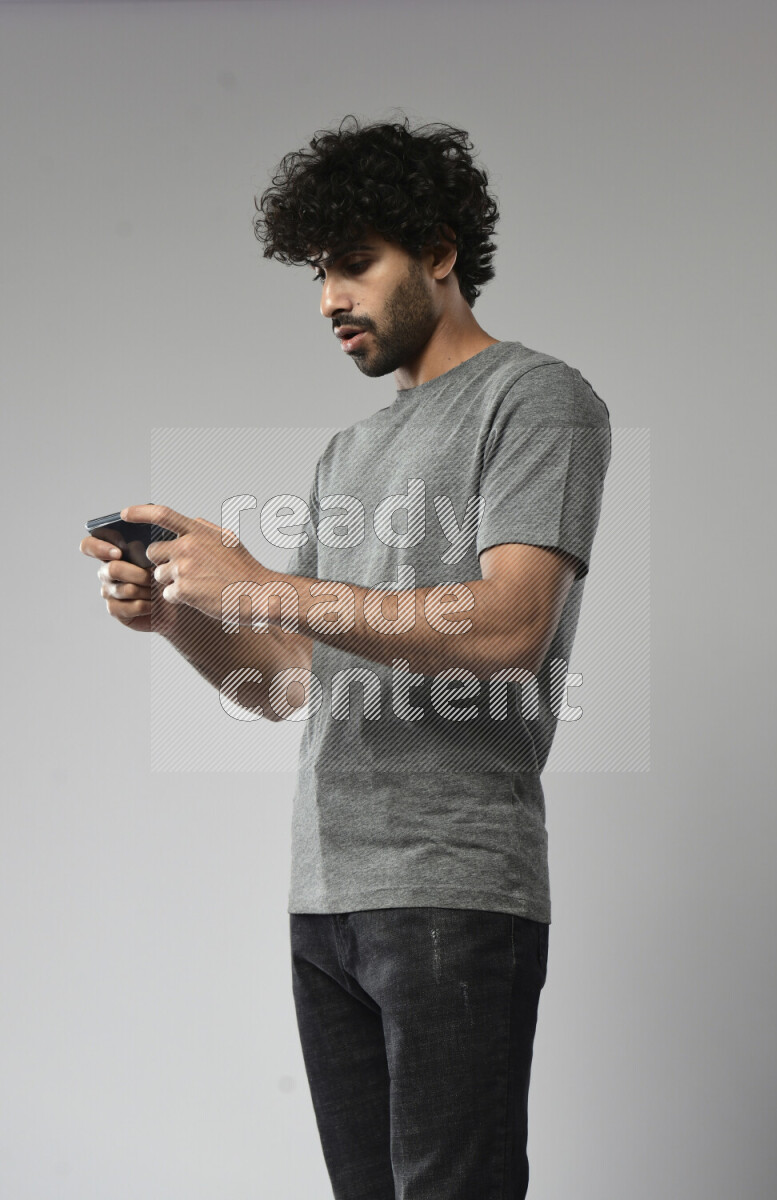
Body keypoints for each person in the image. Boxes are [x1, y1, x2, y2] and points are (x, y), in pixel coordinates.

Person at [80, 113, 612, 1200]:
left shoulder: (536, 399)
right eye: (317, 273)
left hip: (453, 890)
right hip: (327, 895)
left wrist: (266, 584)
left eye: (354, 266)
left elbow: (512, 628)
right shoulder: (350, 449)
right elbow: (287, 682)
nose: (328, 300)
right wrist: (181, 609)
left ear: (440, 252)